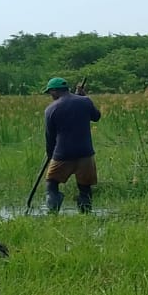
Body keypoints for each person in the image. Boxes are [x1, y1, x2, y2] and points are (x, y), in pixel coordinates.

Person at [41, 77, 102, 213]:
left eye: (50, 92)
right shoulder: (85, 101)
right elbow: (96, 116)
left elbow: (50, 137)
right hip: (85, 154)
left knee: (52, 184)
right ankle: (86, 213)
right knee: (85, 188)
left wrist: (50, 155)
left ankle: (53, 212)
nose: (51, 96)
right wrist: (84, 96)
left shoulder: (51, 109)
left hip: (62, 154)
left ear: (55, 91)